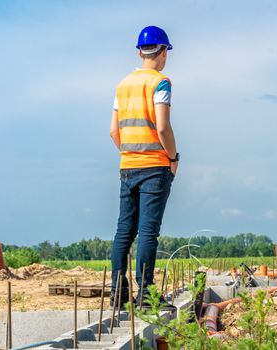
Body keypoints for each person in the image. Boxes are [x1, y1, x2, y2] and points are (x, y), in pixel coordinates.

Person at [109, 25, 179, 309]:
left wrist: (130, 152)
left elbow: (114, 131)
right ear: (162, 52)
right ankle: (146, 296)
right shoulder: (161, 82)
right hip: (154, 167)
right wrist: (173, 158)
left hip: (127, 165)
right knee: (148, 232)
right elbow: (162, 127)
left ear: (140, 51)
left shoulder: (122, 85)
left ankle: (117, 293)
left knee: (124, 231)